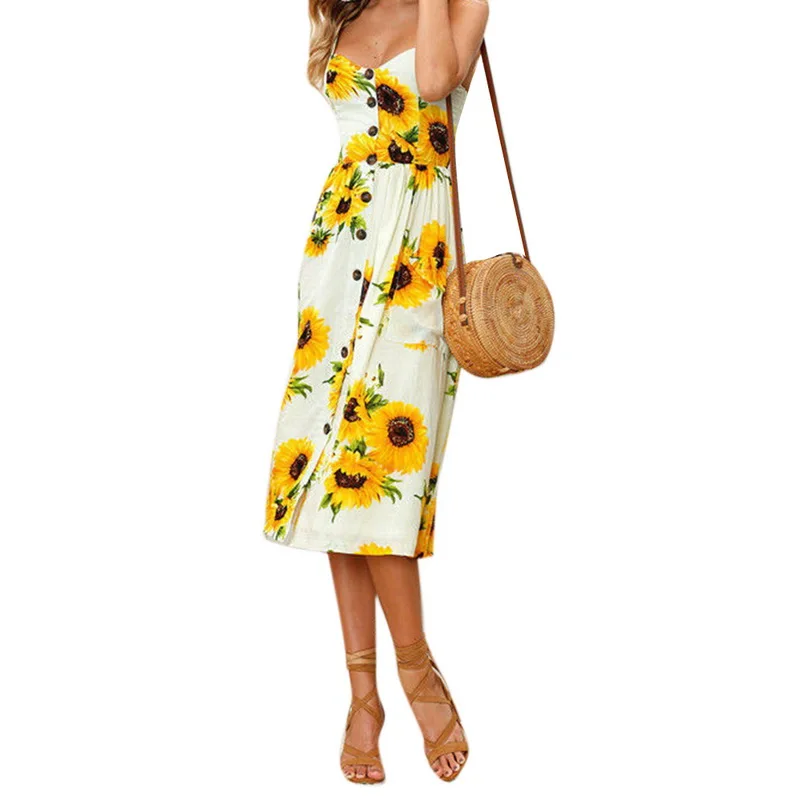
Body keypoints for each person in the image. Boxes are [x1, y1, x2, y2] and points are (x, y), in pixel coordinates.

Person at [263, 0, 489, 784]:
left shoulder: (460, 8)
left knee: (381, 471)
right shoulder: (343, 18)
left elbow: (432, 80)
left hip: (415, 265)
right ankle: (363, 696)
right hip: (338, 259)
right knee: (334, 473)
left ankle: (416, 672)